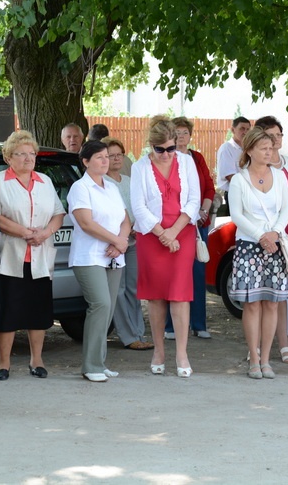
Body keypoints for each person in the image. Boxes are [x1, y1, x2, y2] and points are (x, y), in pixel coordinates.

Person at [0, 130, 65, 380]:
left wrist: (45, 233)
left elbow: (58, 213)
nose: (28, 158)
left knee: (38, 311)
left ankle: (36, 360)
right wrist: (24, 232)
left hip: (40, 256)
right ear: (8, 157)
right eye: (21, 154)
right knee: (7, 312)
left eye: (32, 153)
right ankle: (3, 363)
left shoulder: (45, 181)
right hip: (9, 257)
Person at [131, 115, 200, 378]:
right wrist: (162, 234)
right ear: (151, 145)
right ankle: (159, 351)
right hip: (152, 236)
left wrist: (173, 232)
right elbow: (138, 207)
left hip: (182, 233)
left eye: (171, 148)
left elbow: (194, 200)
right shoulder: (139, 167)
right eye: (160, 150)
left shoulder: (187, 162)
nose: (167, 154)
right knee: (156, 296)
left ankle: (182, 353)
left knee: (180, 294)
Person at [228, 127, 288, 379]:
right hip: (249, 246)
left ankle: (266, 359)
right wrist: (260, 236)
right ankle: (254, 359)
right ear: (250, 150)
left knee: (272, 303)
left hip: (275, 245)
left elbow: (286, 210)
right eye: (263, 148)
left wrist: (275, 233)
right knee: (252, 304)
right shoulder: (239, 180)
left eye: (271, 148)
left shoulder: (280, 176)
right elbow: (236, 215)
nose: (269, 152)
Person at [69, 140, 132, 382]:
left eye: (107, 156)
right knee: (100, 304)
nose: (106, 161)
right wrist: (117, 241)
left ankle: (100, 362)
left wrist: (120, 242)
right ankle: (91, 365)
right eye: (99, 157)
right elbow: (86, 223)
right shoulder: (80, 188)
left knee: (108, 309)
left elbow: (125, 220)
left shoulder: (112, 187)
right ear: (85, 161)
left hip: (114, 256)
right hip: (89, 256)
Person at [257, 116, 288, 363]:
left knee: (283, 289)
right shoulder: (255, 165)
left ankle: (284, 343)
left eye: (279, 135)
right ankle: (257, 345)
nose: (276, 140)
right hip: (262, 232)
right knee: (259, 290)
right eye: (270, 135)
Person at [164, 117, 216, 340]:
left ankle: (198, 324)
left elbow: (209, 188)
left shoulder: (197, 158)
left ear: (190, 135)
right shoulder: (166, 158)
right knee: (173, 274)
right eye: (177, 132)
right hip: (174, 225)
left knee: (197, 273)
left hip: (197, 224)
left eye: (185, 132)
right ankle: (170, 327)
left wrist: (203, 211)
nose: (181, 136)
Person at [103, 136, 153, 351]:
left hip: (134, 239)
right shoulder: (103, 183)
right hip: (114, 241)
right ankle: (128, 335)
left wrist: (136, 225)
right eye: (111, 155)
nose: (116, 159)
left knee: (134, 287)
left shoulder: (129, 180)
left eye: (119, 154)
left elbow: (140, 205)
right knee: (119, 289)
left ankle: (139, 332)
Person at [216, 116, 251, 193]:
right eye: (242, 129)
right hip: (233, 192)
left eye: (247, 129)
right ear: (233, 130)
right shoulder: (226, 148)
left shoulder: (249, 149)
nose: (245, 132)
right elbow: (230, 177)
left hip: (247, 192)